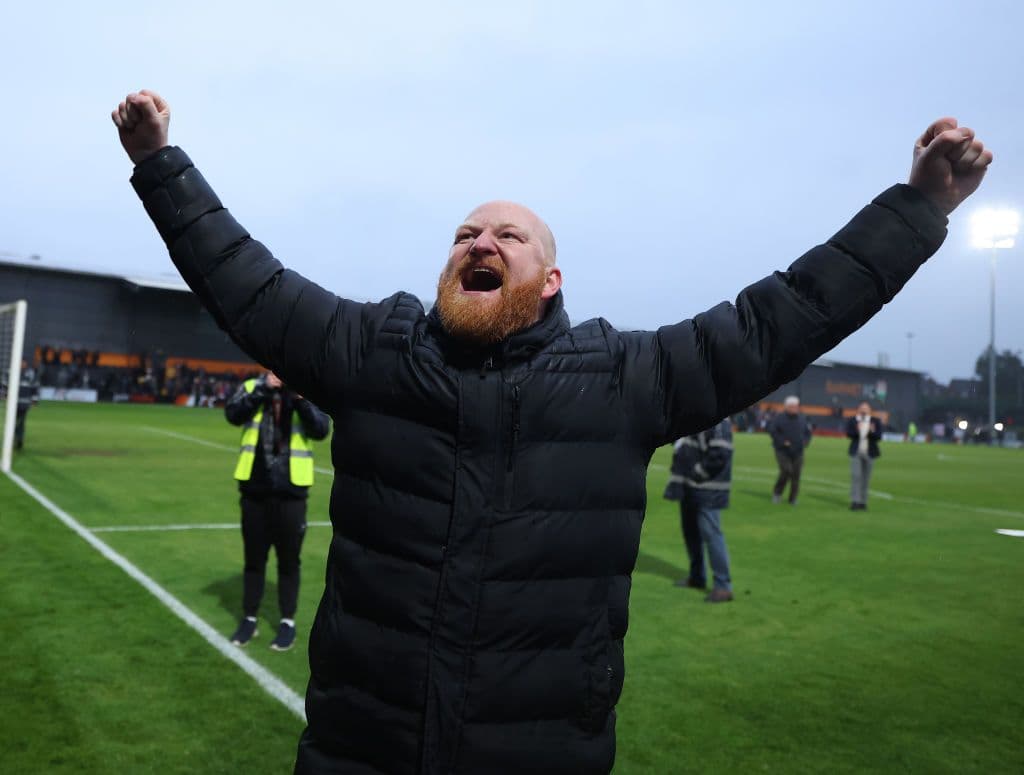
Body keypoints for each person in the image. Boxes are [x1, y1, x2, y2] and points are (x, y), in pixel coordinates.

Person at [112, 88, 991, 774]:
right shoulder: (374, 353)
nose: (477, 241)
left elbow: (781, 320)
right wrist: (160, 163)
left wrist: (919, 209)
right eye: (462, 233)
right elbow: (248, 285)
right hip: (359, 755)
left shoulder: (620, 380)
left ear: (552, 277)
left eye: (506, 233)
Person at [224, 370, 330, 651]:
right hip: (254, 492)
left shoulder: (308, 387)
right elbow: (233, 414)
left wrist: (300, 399)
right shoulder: (252, 385)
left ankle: (287, 622)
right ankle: (248, 619)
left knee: (289, 561)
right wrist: (262, 389)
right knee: (254, 560)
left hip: (291, 494)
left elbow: (321, 429)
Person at [663, 418, 734, 603]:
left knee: (712, 535)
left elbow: (720, 454)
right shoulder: (695, 414)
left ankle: (723, 586)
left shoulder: (718, 419)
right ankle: (697, 577)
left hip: (706, 488)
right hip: (689, 486)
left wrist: (697, 472)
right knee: (691, 534)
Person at [768, 395, 813, 505]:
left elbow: (808, 433)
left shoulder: (802, 418)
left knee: (796, 475)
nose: (794, 408)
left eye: (796, 406)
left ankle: (793, 498)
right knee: (786, 471)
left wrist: (806, 441)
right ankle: (777, 493)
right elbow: (772, 431)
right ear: (786, 407)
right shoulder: (779, 418)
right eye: (792, 406)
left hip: (798, 451)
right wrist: (783, 441)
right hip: (782, 450)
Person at [846, 401, 882, 510]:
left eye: (866, 408)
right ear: (858, 409)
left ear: (870, 410)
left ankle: (863, 502)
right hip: (856, 452)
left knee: (866, 479)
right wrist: (857, 430)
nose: (864, 410)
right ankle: (855, 501)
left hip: (869, 453)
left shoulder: (875, 421)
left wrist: (871, 431)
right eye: (862, 408)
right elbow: (849, 434)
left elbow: (878, 436)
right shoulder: (853, 420)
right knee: (856, 477)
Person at [14, 360, 40, 450]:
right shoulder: (13, 371)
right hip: (12, 404)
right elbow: (5, 385)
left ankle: (19, 439)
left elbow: (35, 387)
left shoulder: (31, 374)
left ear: (26, 363)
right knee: (12, 422)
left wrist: (34, 400)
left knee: (21, 422)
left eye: (24, 362)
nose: (22, 364)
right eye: (21, 362)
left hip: (24, 403)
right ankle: (15, 438)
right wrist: (4, 394)